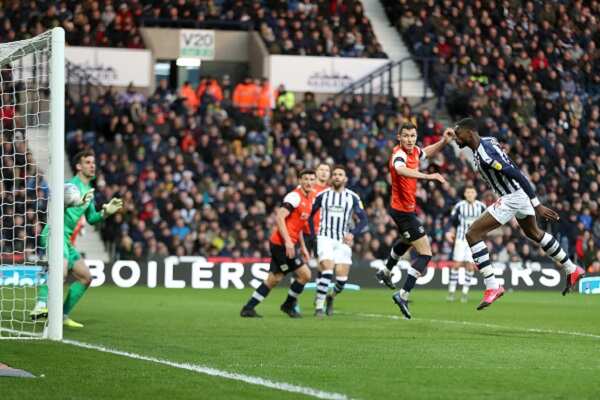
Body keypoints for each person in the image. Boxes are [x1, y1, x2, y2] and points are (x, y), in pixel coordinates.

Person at [453, 117, 585, 309]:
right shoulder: (488, 140)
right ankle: (572, 268)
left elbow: (517, 174)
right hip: (517, 194)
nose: (456, 138)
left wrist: (537, 204)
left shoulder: (486, 155)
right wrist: (450, 135)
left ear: (470, 133)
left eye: (458, 134)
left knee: (472, 233)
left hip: (512, 196)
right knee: (533, 233)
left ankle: (493, 285)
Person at [30, 150, 123, 328]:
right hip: (53, 233)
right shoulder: (70, 185)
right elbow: (57, 202)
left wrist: (105, 213)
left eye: (93, 162)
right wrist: (75, 201)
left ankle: (62, 315)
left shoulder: (90, 191)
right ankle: (40, 305)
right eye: (88, 162)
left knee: (86, 277)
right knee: (61, 269)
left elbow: (91, 219)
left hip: (66, 240)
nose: (92, 165)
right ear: (79, 166)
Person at [376, 122, 454, 319]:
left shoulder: (414, 152)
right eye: (406, 136)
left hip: (404, 209)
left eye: (413, 136)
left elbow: (426, 151)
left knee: (407, 241)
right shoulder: (399, 154)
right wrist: (428, 176)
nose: (410, 139)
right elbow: (400, 170)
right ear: (399, 137)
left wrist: (444, 141)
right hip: (403, 212)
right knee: (426, 254)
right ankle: (403, 294)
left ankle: (385, 270)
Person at [240, 169, 316, 318]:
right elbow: (280, 217)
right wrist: (288, 242)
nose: (308, 182)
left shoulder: (310, 198)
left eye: (311, 179)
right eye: (305, 179)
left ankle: (248, 308)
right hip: (281, 244)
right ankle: (288, 305)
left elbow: (299, 225)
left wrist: (304, 247)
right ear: (300, 181)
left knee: (274, 279)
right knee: (305, 274)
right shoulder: (294, 196)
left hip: (286, 244)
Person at [308, 165, 368, 317]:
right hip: (325, 237)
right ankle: (319, 308)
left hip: (342, 240)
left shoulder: (352, 197)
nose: (336, 177)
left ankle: (330, 297)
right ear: (331, 178)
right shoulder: (322, 195)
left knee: (341, 280)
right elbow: (310, 216)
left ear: (345, 178)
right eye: (334, 174)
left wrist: (352, 233)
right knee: (327, 270)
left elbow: (363, 220)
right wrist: (314, 236)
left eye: (340, 174)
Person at [446, 186, 487, 302]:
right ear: (465, 194)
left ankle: (465, 293)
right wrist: (448, 231)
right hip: (460, 239)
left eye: (472, 192)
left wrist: (483, 232)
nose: (470, 194)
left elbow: (488, 220)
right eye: (468, 192)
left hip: (474, 240)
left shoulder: (481, 206)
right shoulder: (459, 206)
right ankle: (451, 291)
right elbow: (451, 220)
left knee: (470, 266)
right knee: (456, 265)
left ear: (476, 194)